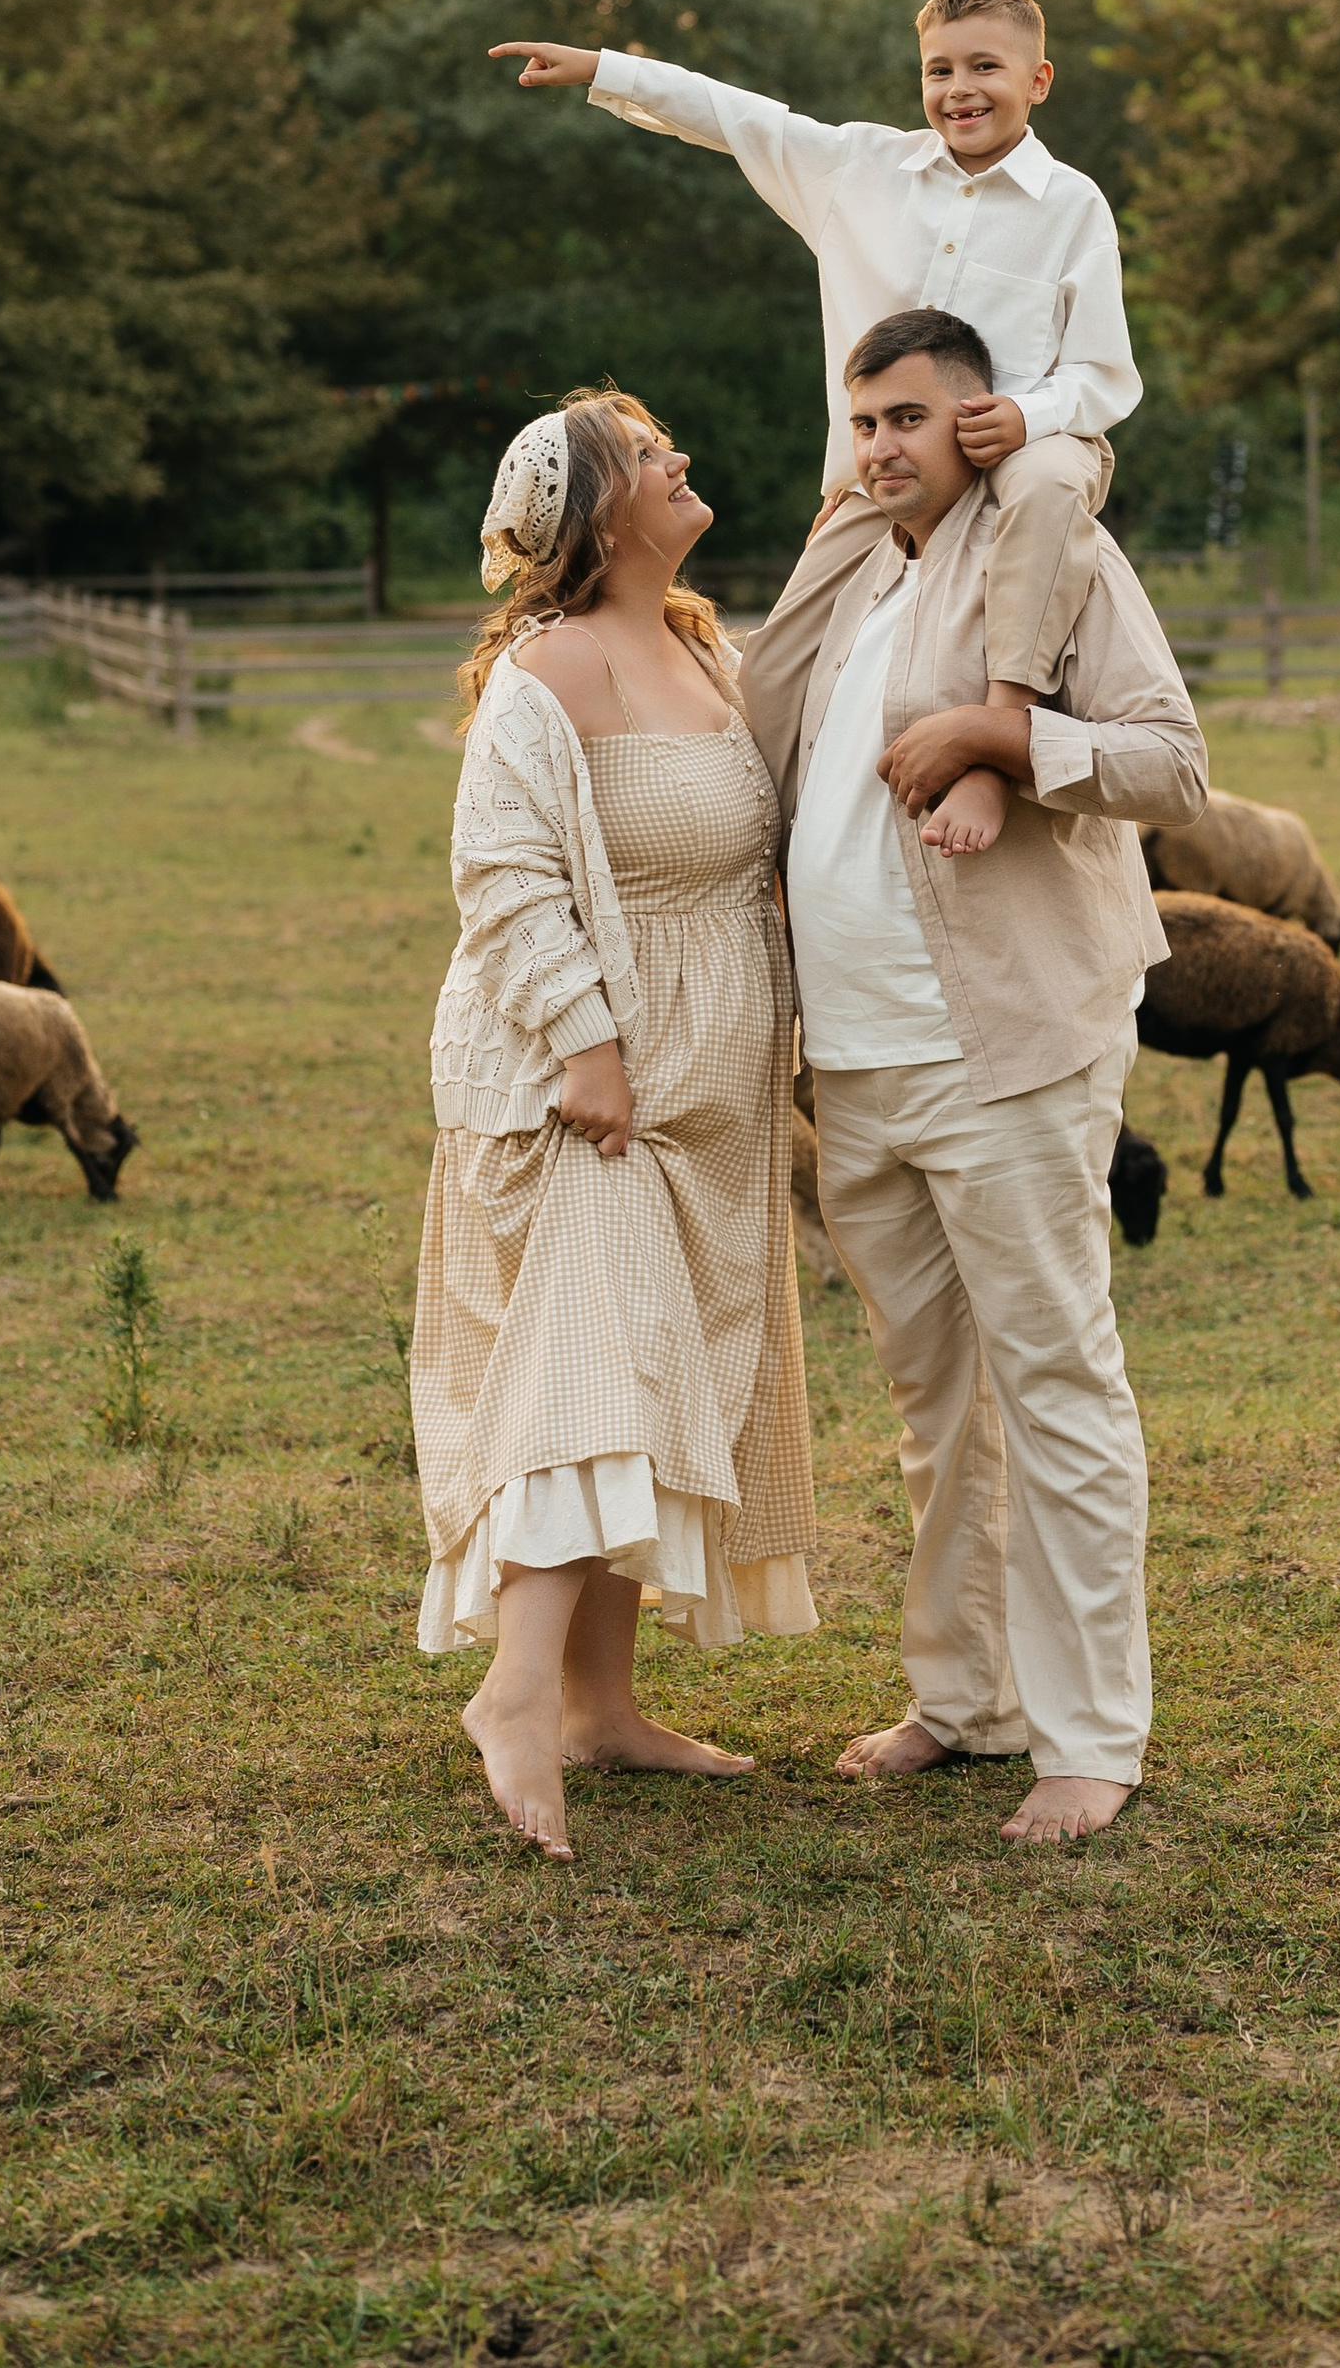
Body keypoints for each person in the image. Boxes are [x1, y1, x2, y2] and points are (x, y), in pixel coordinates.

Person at [740, 306, 1208, 1845]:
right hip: (857, 1064)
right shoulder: (859, 573)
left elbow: (1167, 762)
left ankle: (1092, 1739)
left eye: (909, 419)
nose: (881, 445)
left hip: (999, 1047)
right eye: (862, 420)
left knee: (1056, 1381)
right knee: (937, 1401)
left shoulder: (1048, 548)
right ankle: (969, 1699)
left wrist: (1007, 745)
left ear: (978, 419)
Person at [412, 387, 817, 1861]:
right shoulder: (548, 671)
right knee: (593, 1363)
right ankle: (515, 1698)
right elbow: (506, 876)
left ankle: (604, 1707)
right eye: (653, 458)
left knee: (663, 1370)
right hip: (584, 1083)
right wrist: (589, 1046)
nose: (681, 462)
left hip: (708, 1083)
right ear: (596, 511)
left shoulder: (705, 646)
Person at [490, 0, 1136, 857]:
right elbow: (738, 115)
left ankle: (997, 732)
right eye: (938, 71)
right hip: (884, 479)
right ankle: (780, 865)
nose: (959, 90)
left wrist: (1029, 415)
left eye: (985, 67)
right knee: (777, 669)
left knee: (1053, 478)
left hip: (1019, 454)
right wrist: (604, 68)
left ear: (1038, 80)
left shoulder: (1072, 206)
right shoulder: (859, 170)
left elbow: (1105, 370)